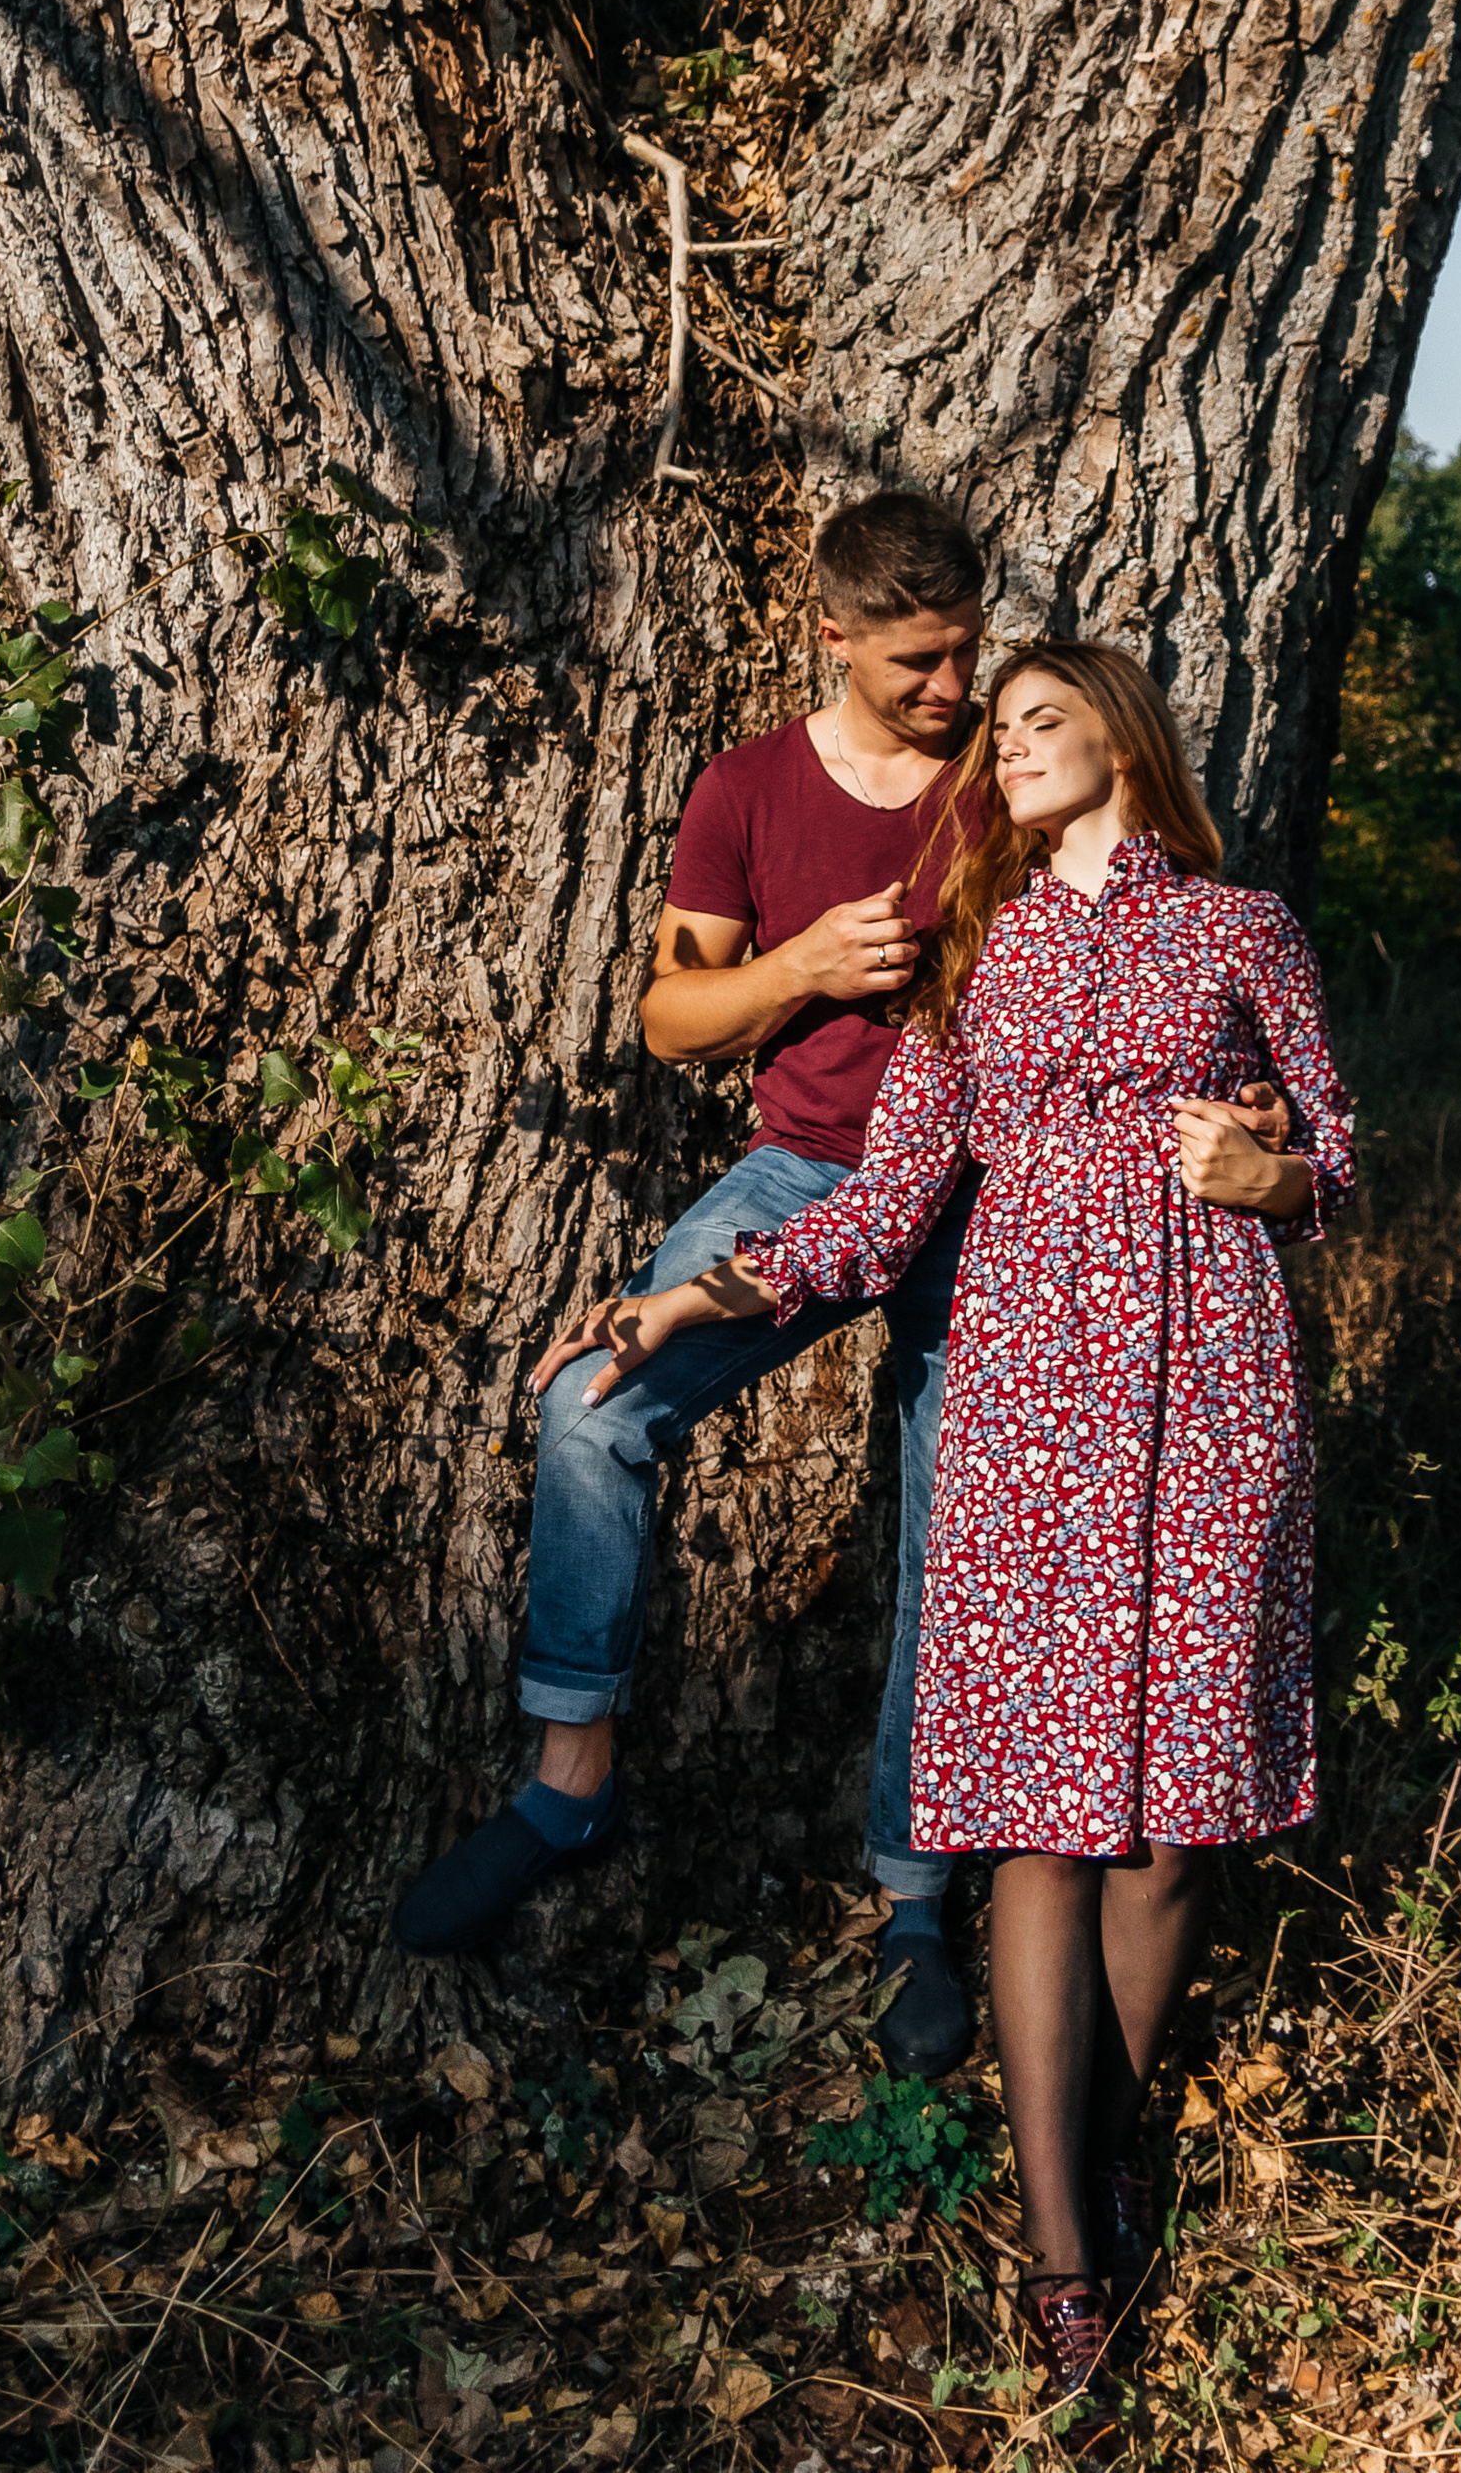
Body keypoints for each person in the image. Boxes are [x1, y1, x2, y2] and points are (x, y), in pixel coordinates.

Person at [554, 642, 1355, 2408]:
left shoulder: (1243, 929)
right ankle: (1068, 2256)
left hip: (1213, 1393)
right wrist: (703, 1293)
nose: (1018, 745)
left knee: (1171, 1829)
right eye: (1002, 733)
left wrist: (1270, 1174)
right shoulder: (970, 950)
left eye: (1046, 717)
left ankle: (1106, 2150)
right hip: (1028, 1404)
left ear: (1128, 740)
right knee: (1045, 1825)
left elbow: (1341, 1158)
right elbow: (890, 1205)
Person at [392, 489, 991, 2060]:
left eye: (966, 654)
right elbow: (668, 1016)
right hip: (803, 1172)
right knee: (596, 1405)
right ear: (835, 636)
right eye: (917, 662)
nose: (950, 689)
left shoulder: (1012, 769)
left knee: (953, 1536)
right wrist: (797, 969)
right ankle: (564, 1784)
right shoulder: (747, 789)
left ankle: (915, 1899)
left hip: (993, 1199)